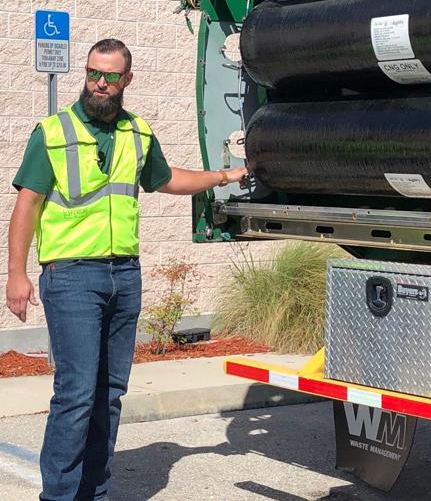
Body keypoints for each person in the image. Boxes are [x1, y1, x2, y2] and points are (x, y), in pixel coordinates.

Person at [4, 38, 249, 501]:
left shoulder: (137, 132)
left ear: (126, 80)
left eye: (110, 76)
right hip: (72, 276)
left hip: (125, 276)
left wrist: (222, 176)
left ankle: (95, 493)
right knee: (76, 395)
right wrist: (16, 274)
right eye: (94, 73)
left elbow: (166, 179)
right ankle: (58, 496)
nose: (100, 82)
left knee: (110, 394)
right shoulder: (52, 132)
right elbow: (27, 204)